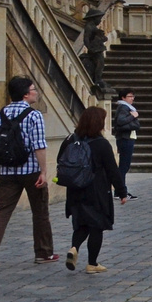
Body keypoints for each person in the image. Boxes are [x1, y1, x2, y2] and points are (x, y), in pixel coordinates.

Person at [0, 76, 56, 268]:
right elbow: (39, 145)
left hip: (7, 171)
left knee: (2, 212)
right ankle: (43, 252)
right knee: (40, 212)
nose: (35, 92)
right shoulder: (34, 115)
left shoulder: (1, 113)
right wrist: (43, 171)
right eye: (33, 89)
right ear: (25, 94)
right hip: (30, 170)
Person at [63, 106, 130, 274]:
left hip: (75, 189)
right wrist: (121, 192)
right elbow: (112, 170)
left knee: (81, 224)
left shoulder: (70, 139)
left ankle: (74, 247)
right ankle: (92, 263)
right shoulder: (101, 144)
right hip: (96, 190)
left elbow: (61, 161)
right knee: (96, 226)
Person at [111, 89, 139, 196]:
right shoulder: (123, 107)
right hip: (125, 138)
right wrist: (133, 117)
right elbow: (121, 122)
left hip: (128, 137)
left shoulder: (128, 108)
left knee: (124, 166)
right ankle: (120, 191)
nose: (132, 98)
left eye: (133, 96)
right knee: (124, 166)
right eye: (130, 96)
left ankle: (120, 190)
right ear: (123, 98)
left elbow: (136, 124)